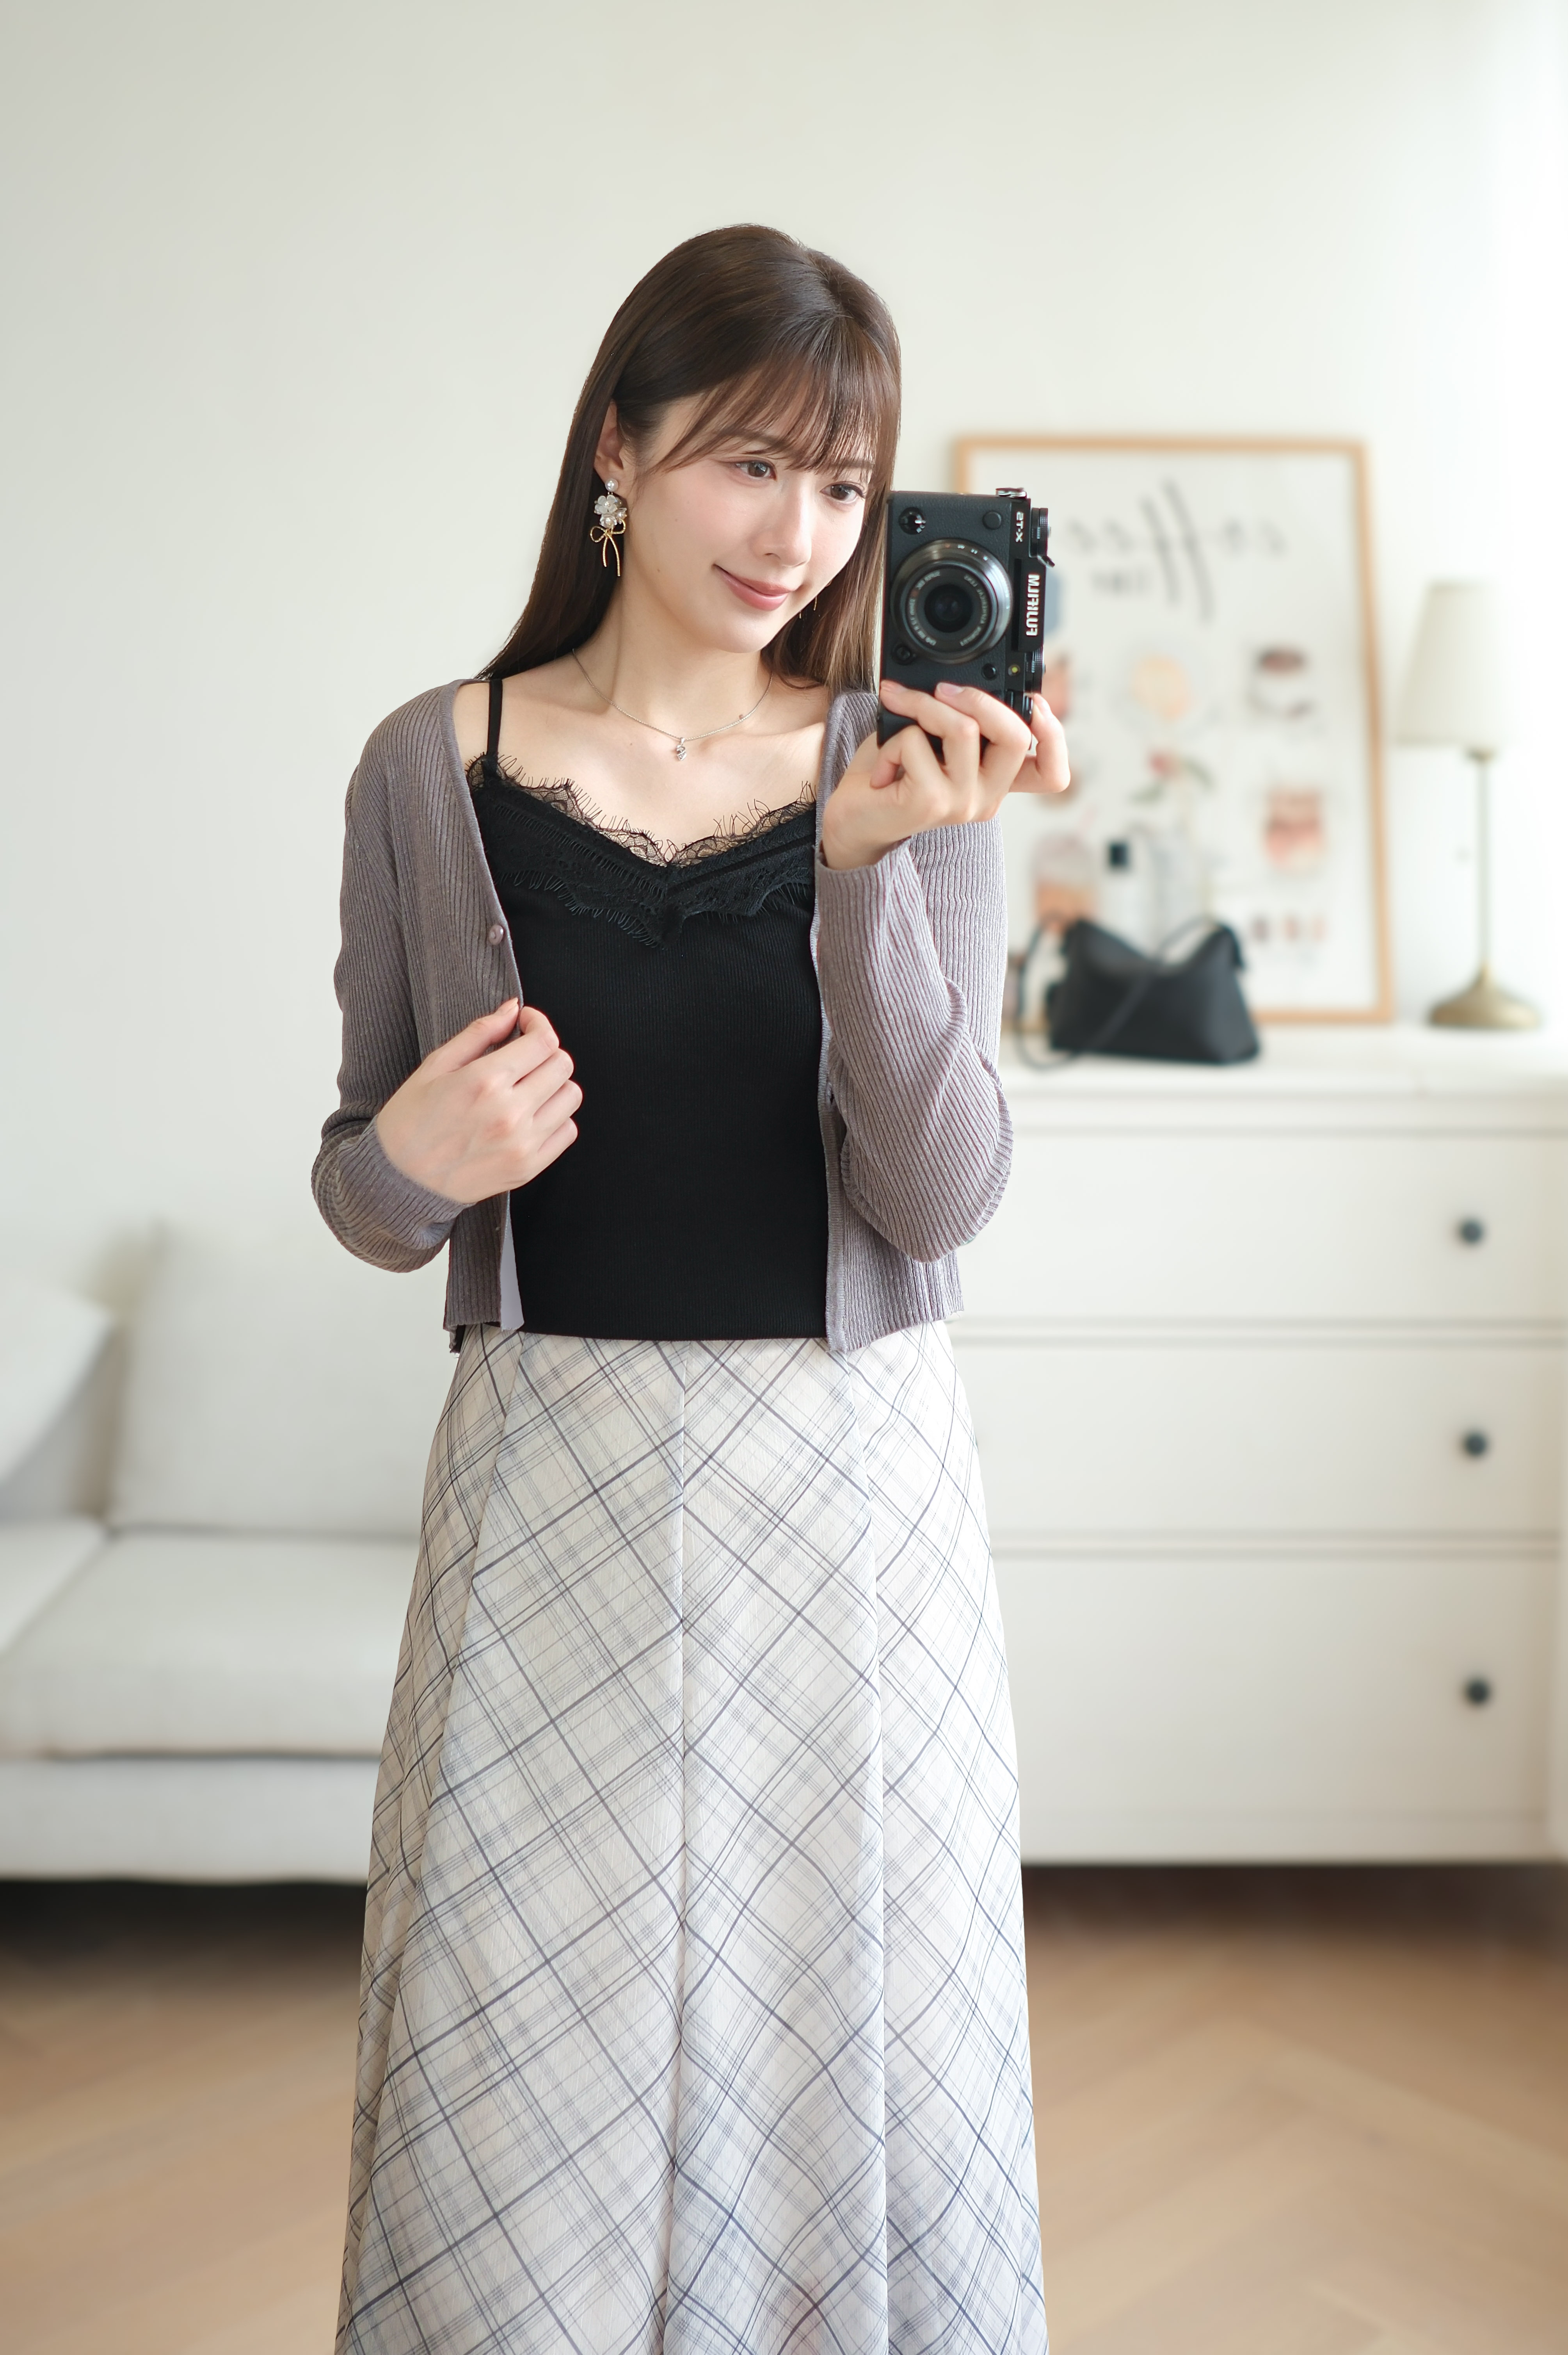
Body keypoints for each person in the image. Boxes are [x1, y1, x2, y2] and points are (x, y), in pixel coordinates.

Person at [314, 221, 1069, 2355]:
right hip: (545, 1484)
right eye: (749, 463)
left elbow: (938, 1198)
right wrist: (414, 1159)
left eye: (841, 485)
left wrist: (872, 887)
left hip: (849, 1498)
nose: (796, 534)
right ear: (620, 450)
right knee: (515, 2067)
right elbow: (367, 1193)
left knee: (851, 2044)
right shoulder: (429, 765)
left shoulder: (905, 765)